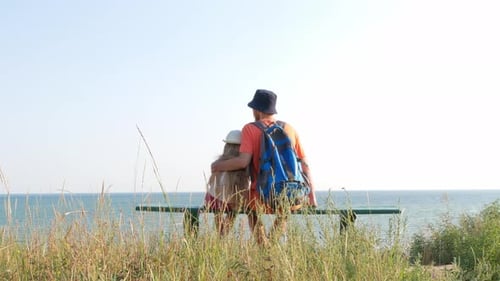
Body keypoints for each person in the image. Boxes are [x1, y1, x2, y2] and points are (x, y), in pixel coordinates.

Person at [211, 89, 317, 244]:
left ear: (257, 109)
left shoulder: (250, 129)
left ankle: (264, 246)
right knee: (285, 211)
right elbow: (305, 165)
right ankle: (271, 246)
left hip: (261, 197)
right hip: (290, 195)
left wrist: (217, 165)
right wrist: (312, 196)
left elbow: (243, 162)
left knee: (250, 210)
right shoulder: (290, 129)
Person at [204, 129, 250, 236]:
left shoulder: (217, 163)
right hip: (234, 201)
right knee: (233, 213)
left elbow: (212, 183)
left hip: (214, 199)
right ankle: (223, 236)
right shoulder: (244, 165)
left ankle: (221, 236)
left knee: (218, 218)